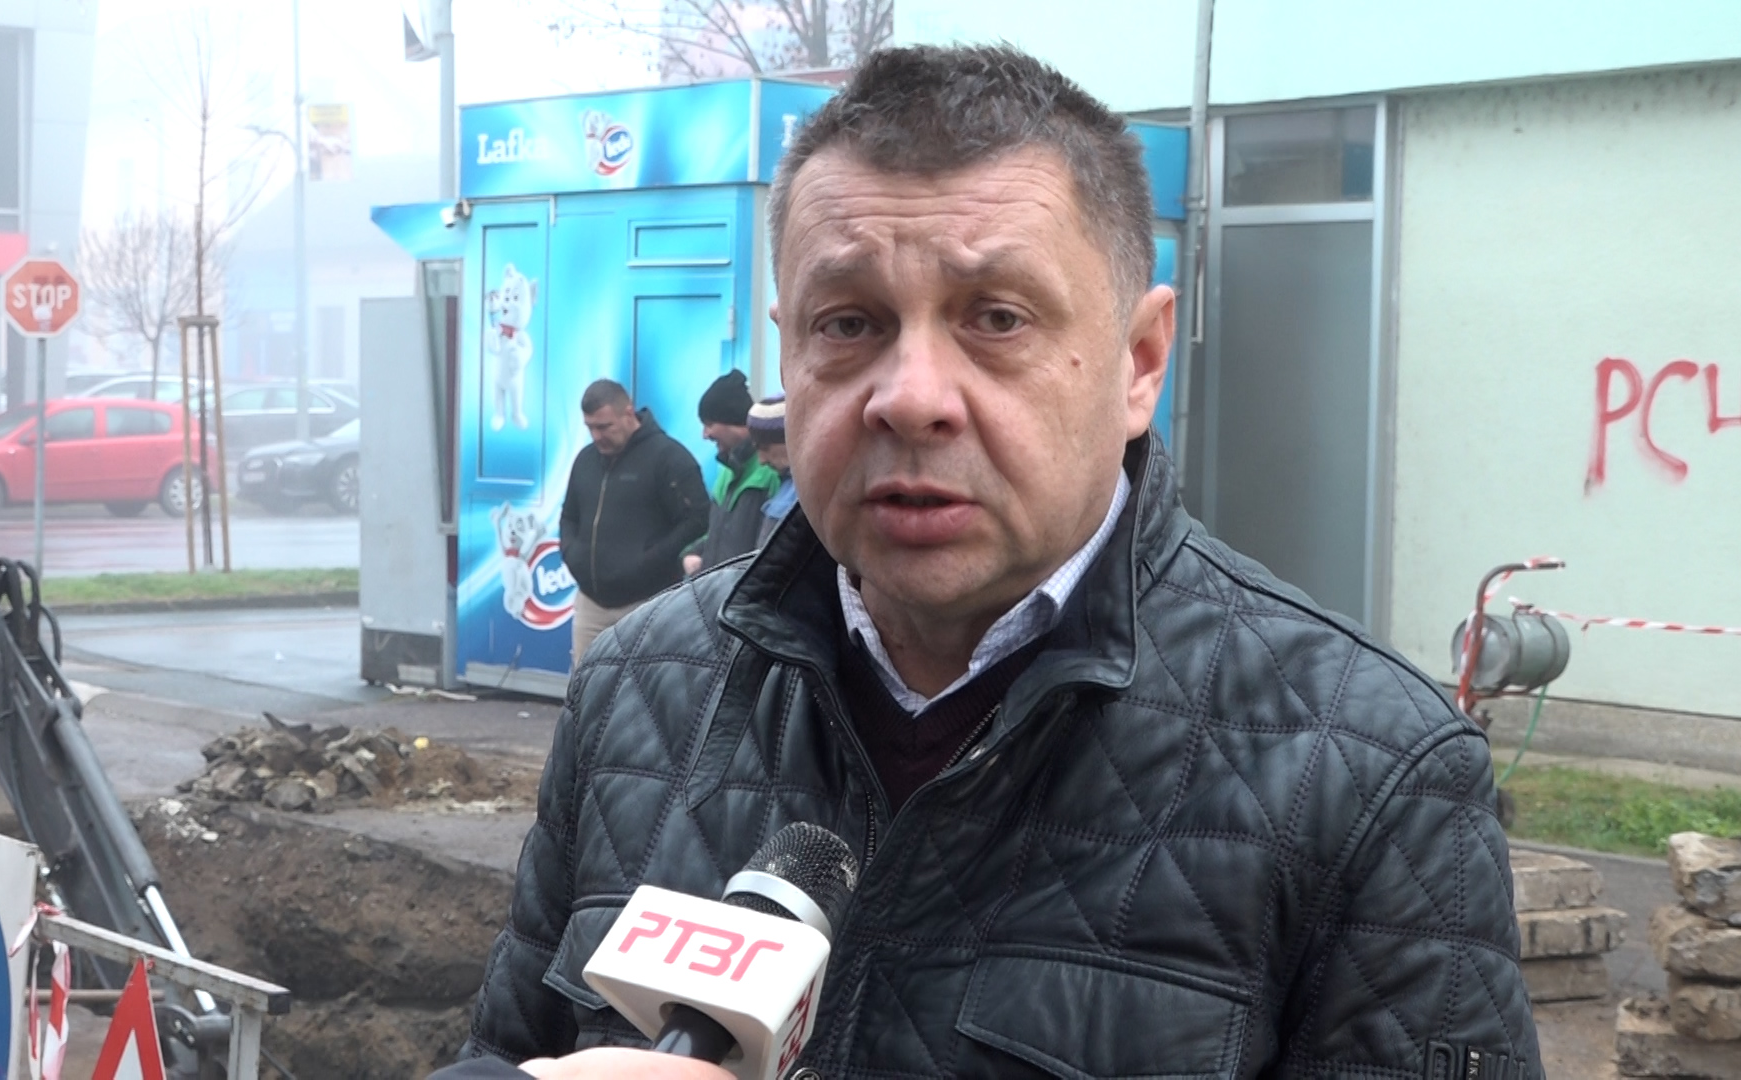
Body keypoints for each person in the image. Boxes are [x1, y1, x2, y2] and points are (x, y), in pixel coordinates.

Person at [440, 44, 1540, 1080]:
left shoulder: (1372, 780)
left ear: (1139, 362)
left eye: (998, 318)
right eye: (849, 323)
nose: (910, 396)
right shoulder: (639, 689)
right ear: (789, 348)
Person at [557, 379, 708, 670]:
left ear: (628, 413)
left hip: (646, 602)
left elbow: (697, 520)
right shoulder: (585, 460)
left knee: (641, 690)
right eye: (590, 427)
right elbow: (569, 516)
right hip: (591, 603)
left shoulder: (669, 458)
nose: (597, 436)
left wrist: (651, 560)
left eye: (604, 427)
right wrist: (570, 552)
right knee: (584, 689)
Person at [681, 370, 778, 574]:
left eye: (709, 424)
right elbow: (718, 534)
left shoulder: (771, 472)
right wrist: (695, 551)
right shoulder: (726, 472)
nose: (705, 435)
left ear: (734, 422)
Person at [746, 393, 793, 546]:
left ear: (789, 439)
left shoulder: (809, 492)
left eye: (765, 448)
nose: (762, 460)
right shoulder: (788, 486)